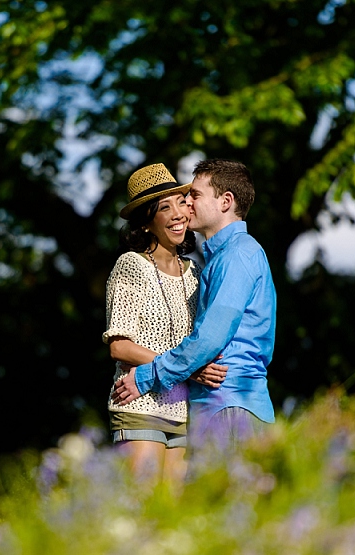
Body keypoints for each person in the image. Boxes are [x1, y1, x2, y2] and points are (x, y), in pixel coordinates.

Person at [112, 159, 276, 458]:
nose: (187, 204)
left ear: (226, 201)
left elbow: (209, 339)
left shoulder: (236, 257)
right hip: (219, 408)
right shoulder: (219, 259)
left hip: (228, 406)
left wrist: (147, 375)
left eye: (195, 195)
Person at [104, 163, 228, 484]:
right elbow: (119, 346)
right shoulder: (131, 265)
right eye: (164, 207)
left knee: (173, 520)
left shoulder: (195, 272)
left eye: (180, 203)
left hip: (183, 413)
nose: (178, 214)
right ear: (147, 222)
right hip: (138, 406)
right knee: (142, 515)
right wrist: (187, 368)